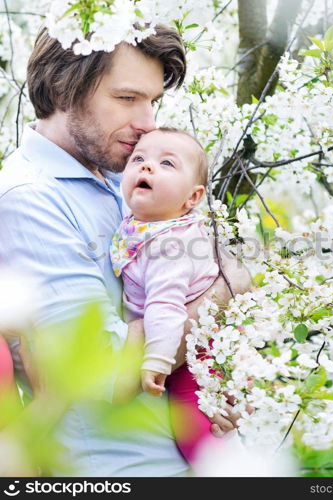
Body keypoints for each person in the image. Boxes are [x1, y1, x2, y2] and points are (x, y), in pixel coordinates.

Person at [0, 25, 250, 476]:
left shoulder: (125, 179)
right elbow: (102, 371)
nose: (148, 123)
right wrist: (223, 290)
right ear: (62, 87)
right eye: (127, 98)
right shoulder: (29, 199)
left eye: (153, 101)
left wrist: (209, 393)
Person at [110, 127, 221, 463]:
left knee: (196, 433)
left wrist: (157, 360)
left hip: (197, 351)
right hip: (182, 335)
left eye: (167, 164)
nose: (146, 167)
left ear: (191, 198)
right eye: (138, 159)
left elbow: (165, 304)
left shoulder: (168, 244)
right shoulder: (146, 226)